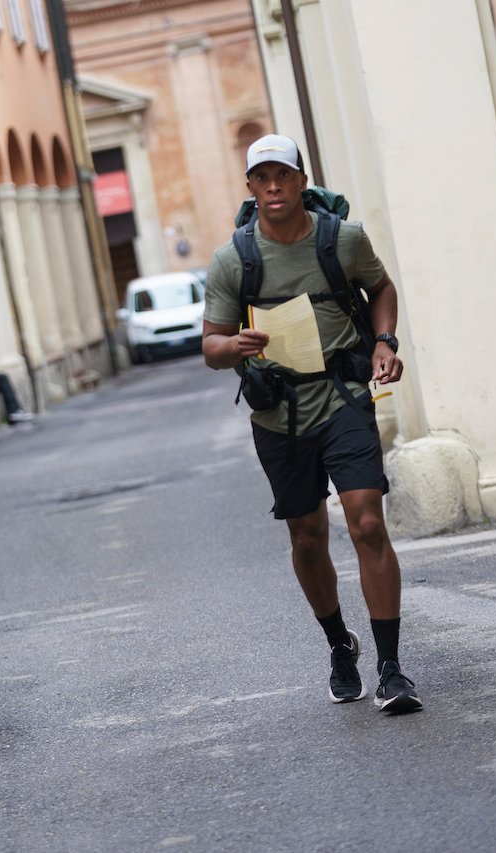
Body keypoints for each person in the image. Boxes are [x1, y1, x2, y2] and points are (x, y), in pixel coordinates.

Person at [202, 134, 422, 714]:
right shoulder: (233, 259)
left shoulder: (341, 240)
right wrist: (237, 345)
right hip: (279, 413)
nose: (273, 186)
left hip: (344, 396)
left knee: (367, 522)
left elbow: (381, 288)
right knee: (306, 535)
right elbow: (211, 347)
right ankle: (338, 645)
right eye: (261, 178)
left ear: (302, 180)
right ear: (251, 188)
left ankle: (392, 669)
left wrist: (384, 341)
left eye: (283, 175)